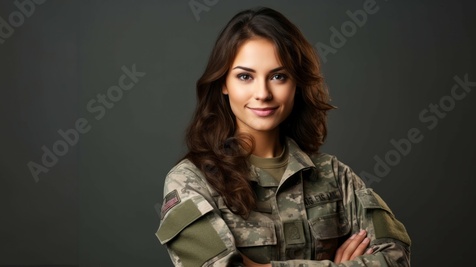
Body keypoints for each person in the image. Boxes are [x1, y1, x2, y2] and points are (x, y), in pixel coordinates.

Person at [155, 6, 411, 267]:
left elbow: (396, 258)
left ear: (296, 83)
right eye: (245, 76)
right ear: (223, 83)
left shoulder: (334, 176)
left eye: (278, 76)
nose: (263, 93)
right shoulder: (191, 182)